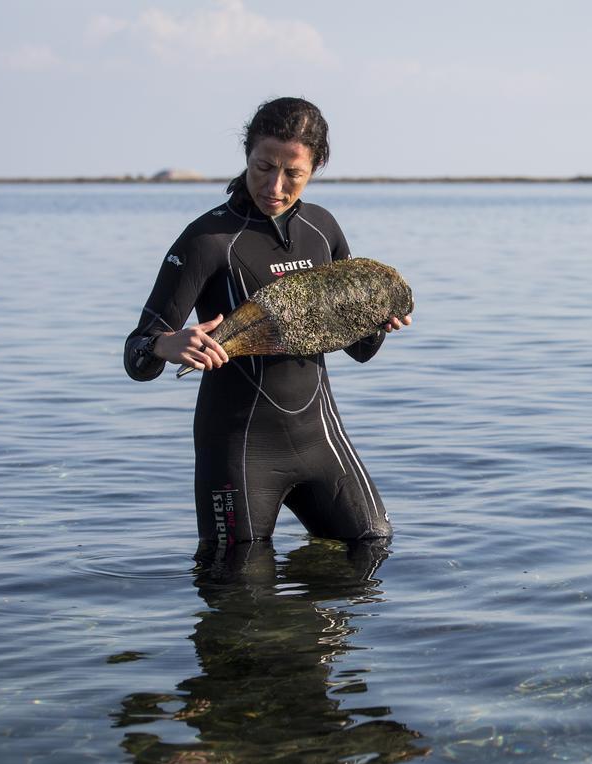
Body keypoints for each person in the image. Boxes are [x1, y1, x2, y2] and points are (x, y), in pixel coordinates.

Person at [124, 97, 409, 546]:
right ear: (247, 155)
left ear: (315, 168)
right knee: (239, 592)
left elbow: (360, 350)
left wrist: (377, 322)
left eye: (293, 173)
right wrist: (165, 345)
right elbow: (137, 354)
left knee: (372, 544)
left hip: (320, 437)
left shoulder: (322, 229)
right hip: (238, 449)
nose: (275, 185)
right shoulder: (208, 240)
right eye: (263, 167)